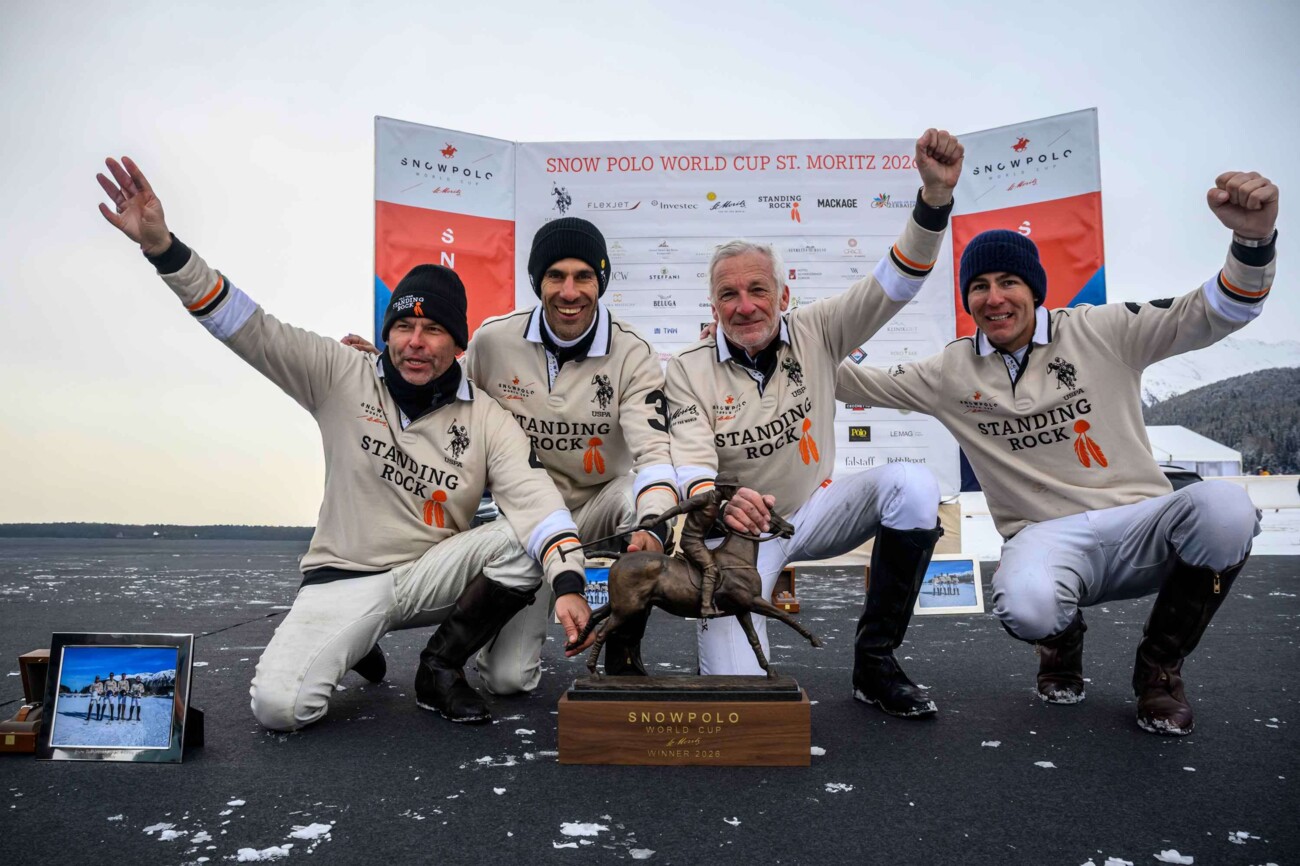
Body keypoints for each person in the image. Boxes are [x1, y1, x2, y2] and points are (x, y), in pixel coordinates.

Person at [96, 156, 593, 730]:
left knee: (522, 537)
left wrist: (568, 582)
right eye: (403, 326)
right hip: (346, 579)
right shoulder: (340, 373)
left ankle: (439, 667)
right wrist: (164, 250)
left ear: (458, 344)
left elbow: (535, 501)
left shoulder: (487, 417)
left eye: (433, 330)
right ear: (387, 333)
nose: (415, 342)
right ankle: (354, 641)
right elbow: (247, 327)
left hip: (431, 576)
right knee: (281, 709)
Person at [835, 170, 1278, 735]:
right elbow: (854, 382)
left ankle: (1160, 671)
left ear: (1035, 289)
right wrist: (782, 339)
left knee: (1228, 509)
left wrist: (1252, 240)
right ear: (967, 298)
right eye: (979, 286)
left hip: (1139, 523)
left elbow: (1218, 310)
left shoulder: (1103, 329)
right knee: (1026, 606)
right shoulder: (951, 370)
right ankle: (1060, 642)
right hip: (1046, 536)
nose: (995, 298)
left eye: (1009, 281)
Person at [664, 129, 963, 718]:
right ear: (712, 306)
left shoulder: (819, 329)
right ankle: (723, 655)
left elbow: (895, 283)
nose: (744, 305)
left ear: (784, 293)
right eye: (728, 294)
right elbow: (691, 458)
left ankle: (875, 662)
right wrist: (717, 498)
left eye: (758, 289)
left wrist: (933, 200)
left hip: (815, 508)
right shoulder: (688, 368)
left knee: (913, 485)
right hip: (740, 532)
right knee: (739, 698)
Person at [343, 217, 679, 682]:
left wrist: (655, 528)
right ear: (537, 281)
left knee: (638, 500)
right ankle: (390, 635)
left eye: (583, 276)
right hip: (527, 519)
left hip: (598, 503)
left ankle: (622, 652)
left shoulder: (632, 352)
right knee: (508, 681)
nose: (569, 292)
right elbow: (447, 393)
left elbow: (654, 454)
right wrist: (387, 368)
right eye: (555, 276)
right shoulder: (494, 340)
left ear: (601, 282)